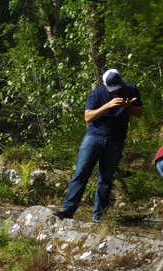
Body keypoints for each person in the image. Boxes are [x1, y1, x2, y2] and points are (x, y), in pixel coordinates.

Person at [56, 69, 143, 221]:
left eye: (117, 86)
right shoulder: (96, 94)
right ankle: (68, 209)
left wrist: (128, 107)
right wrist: (107, 106)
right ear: (105, 84)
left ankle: (99, 215)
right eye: (112, 87)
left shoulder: (131, 89)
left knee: (105, 178)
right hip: (94, 138)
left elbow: (139, 112)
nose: (115, 90)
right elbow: (88, 117)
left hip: (116, 140)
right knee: (81, 172)